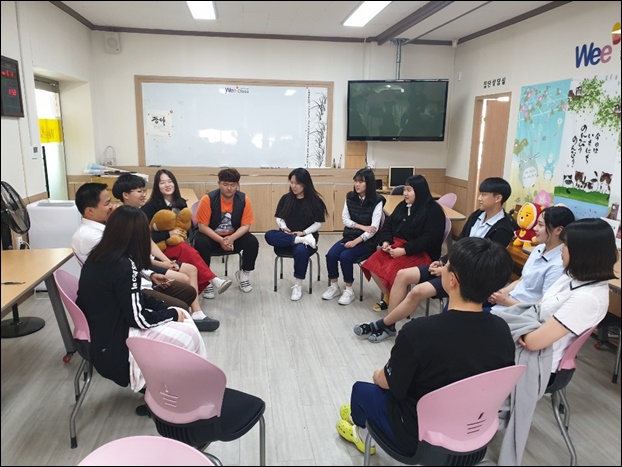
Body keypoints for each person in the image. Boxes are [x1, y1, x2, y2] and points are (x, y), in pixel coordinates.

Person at [336, 237, 515, 456]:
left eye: (447, 266)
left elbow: (387, 383)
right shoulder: (503, 330)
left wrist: (378, 375)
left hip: (419, 440)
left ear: (452, 280)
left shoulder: (418, 332)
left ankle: (361, 433)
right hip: (476, 435)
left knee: (362, 390)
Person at [354, 177, 515, 342]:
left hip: (468, 279)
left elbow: (484, 264)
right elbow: (460, 244)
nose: (479, 198)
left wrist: (447, 269)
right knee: (403, 275)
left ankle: (384, 325)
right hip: (451, 268)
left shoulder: (503, 228)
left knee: (416, 290)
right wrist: (443, 261)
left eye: (484, 194)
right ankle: (389, 325)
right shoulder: (477, 216)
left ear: (498, 198)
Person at [76, 205, 207, 393]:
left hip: (103, 330)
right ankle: (174, 391)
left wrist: (164, 308)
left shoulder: (100, 255)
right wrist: (170, 314)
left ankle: (177, 387)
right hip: (116, 344)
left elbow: (131, 297)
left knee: (182, 318)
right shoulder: (123, 266)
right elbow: (138, 319)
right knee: (188, 334)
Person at [71, 183, 216, 330]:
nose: (112, 207)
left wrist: (151, 274)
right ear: (90, 211)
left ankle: (192, 314)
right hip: (120, 296)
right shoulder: (92, 236)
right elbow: (126, 265)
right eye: (107, 203)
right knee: (180, 305)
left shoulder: (107, 229)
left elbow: (131, 260)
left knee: (187, 289)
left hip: (134, 281)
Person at [111, 174, 220, 332]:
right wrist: (162, 264)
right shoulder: (124, 219)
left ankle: (197, 313)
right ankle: (185, 314)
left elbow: (148, 242)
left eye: (143, 190)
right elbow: (134, 258)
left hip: (150, 260)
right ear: (125, 195)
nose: (143, 194)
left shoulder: (138, 213)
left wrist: (166, 260)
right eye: (139, 191)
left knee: (191, 268)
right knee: (184, 276)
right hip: (145, 266)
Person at [141, 169, 232, 300]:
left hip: (178, 244)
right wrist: (168, 234)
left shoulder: (181, 202)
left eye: (170, 181)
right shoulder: (149, 207)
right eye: (162, 183)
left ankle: (209, 283)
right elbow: (145, 237)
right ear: (157, 186)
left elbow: (187, 225)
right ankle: (213, 280)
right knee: (188, 251)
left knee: (190, 251)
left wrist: (184, 235)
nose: (167, 185)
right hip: (158, 249)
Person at [361, 174, 445, 315]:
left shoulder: (434, 211)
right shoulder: (403, 206)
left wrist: (404, 250)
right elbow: (388, 225)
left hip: (421, 253)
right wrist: (386, 242)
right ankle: (391, 296)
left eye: (409, 190)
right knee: (372, 263)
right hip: (398, 246)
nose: (405, 193)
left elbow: (428, 240)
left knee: (393, 269)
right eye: (405, 189)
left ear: (420, 191)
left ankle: (396, 305)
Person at [488, 205, 575, 310]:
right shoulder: (539, 248)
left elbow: (542, 307)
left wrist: (505, 301)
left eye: (540, 225)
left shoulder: (559, 264)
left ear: (558, 230)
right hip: (506, 303)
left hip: (520, 313)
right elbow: (522, 280)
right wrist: (501, 293)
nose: (535, 228)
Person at [322, 168, 385, 305]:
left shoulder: (378, 200)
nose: (357, 184)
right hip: (349, 236)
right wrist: (361, 226)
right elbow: (345, 219)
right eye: (356, 181)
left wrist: (356, 241)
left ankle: (349, 291)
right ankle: (334, 287)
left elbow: (373, 229)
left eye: (361, 182)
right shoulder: (350, 197)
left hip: (367, 242)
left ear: (368, 183)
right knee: (331, 255)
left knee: (345, 256)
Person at [264, 168, 328, 301]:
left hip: (307, 235)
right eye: (292, 182)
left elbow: (318, 223)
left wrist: (304, 233)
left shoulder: (315, 201)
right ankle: (298, 239)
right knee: (269, 235)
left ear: (305, 184)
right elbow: (279, 218)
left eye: (297, 183)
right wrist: (284, 227)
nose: (293, 186)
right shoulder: (286, 198)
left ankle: (298, 285)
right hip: (287, 236)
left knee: (301, 251)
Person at [193, 168, 260, 293]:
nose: (229, 188)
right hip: (212, 237)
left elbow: (246, 226)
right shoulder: (208, 199)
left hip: (233, 237)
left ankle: (244, 274)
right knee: (200, 242)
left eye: (232, 185)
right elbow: (202, 227)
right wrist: (221, 240)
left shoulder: (244, 199)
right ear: (219, 184)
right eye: (225, 184)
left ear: (237, 185)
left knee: (252, 241)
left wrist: (231, 238)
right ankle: (206, 279)